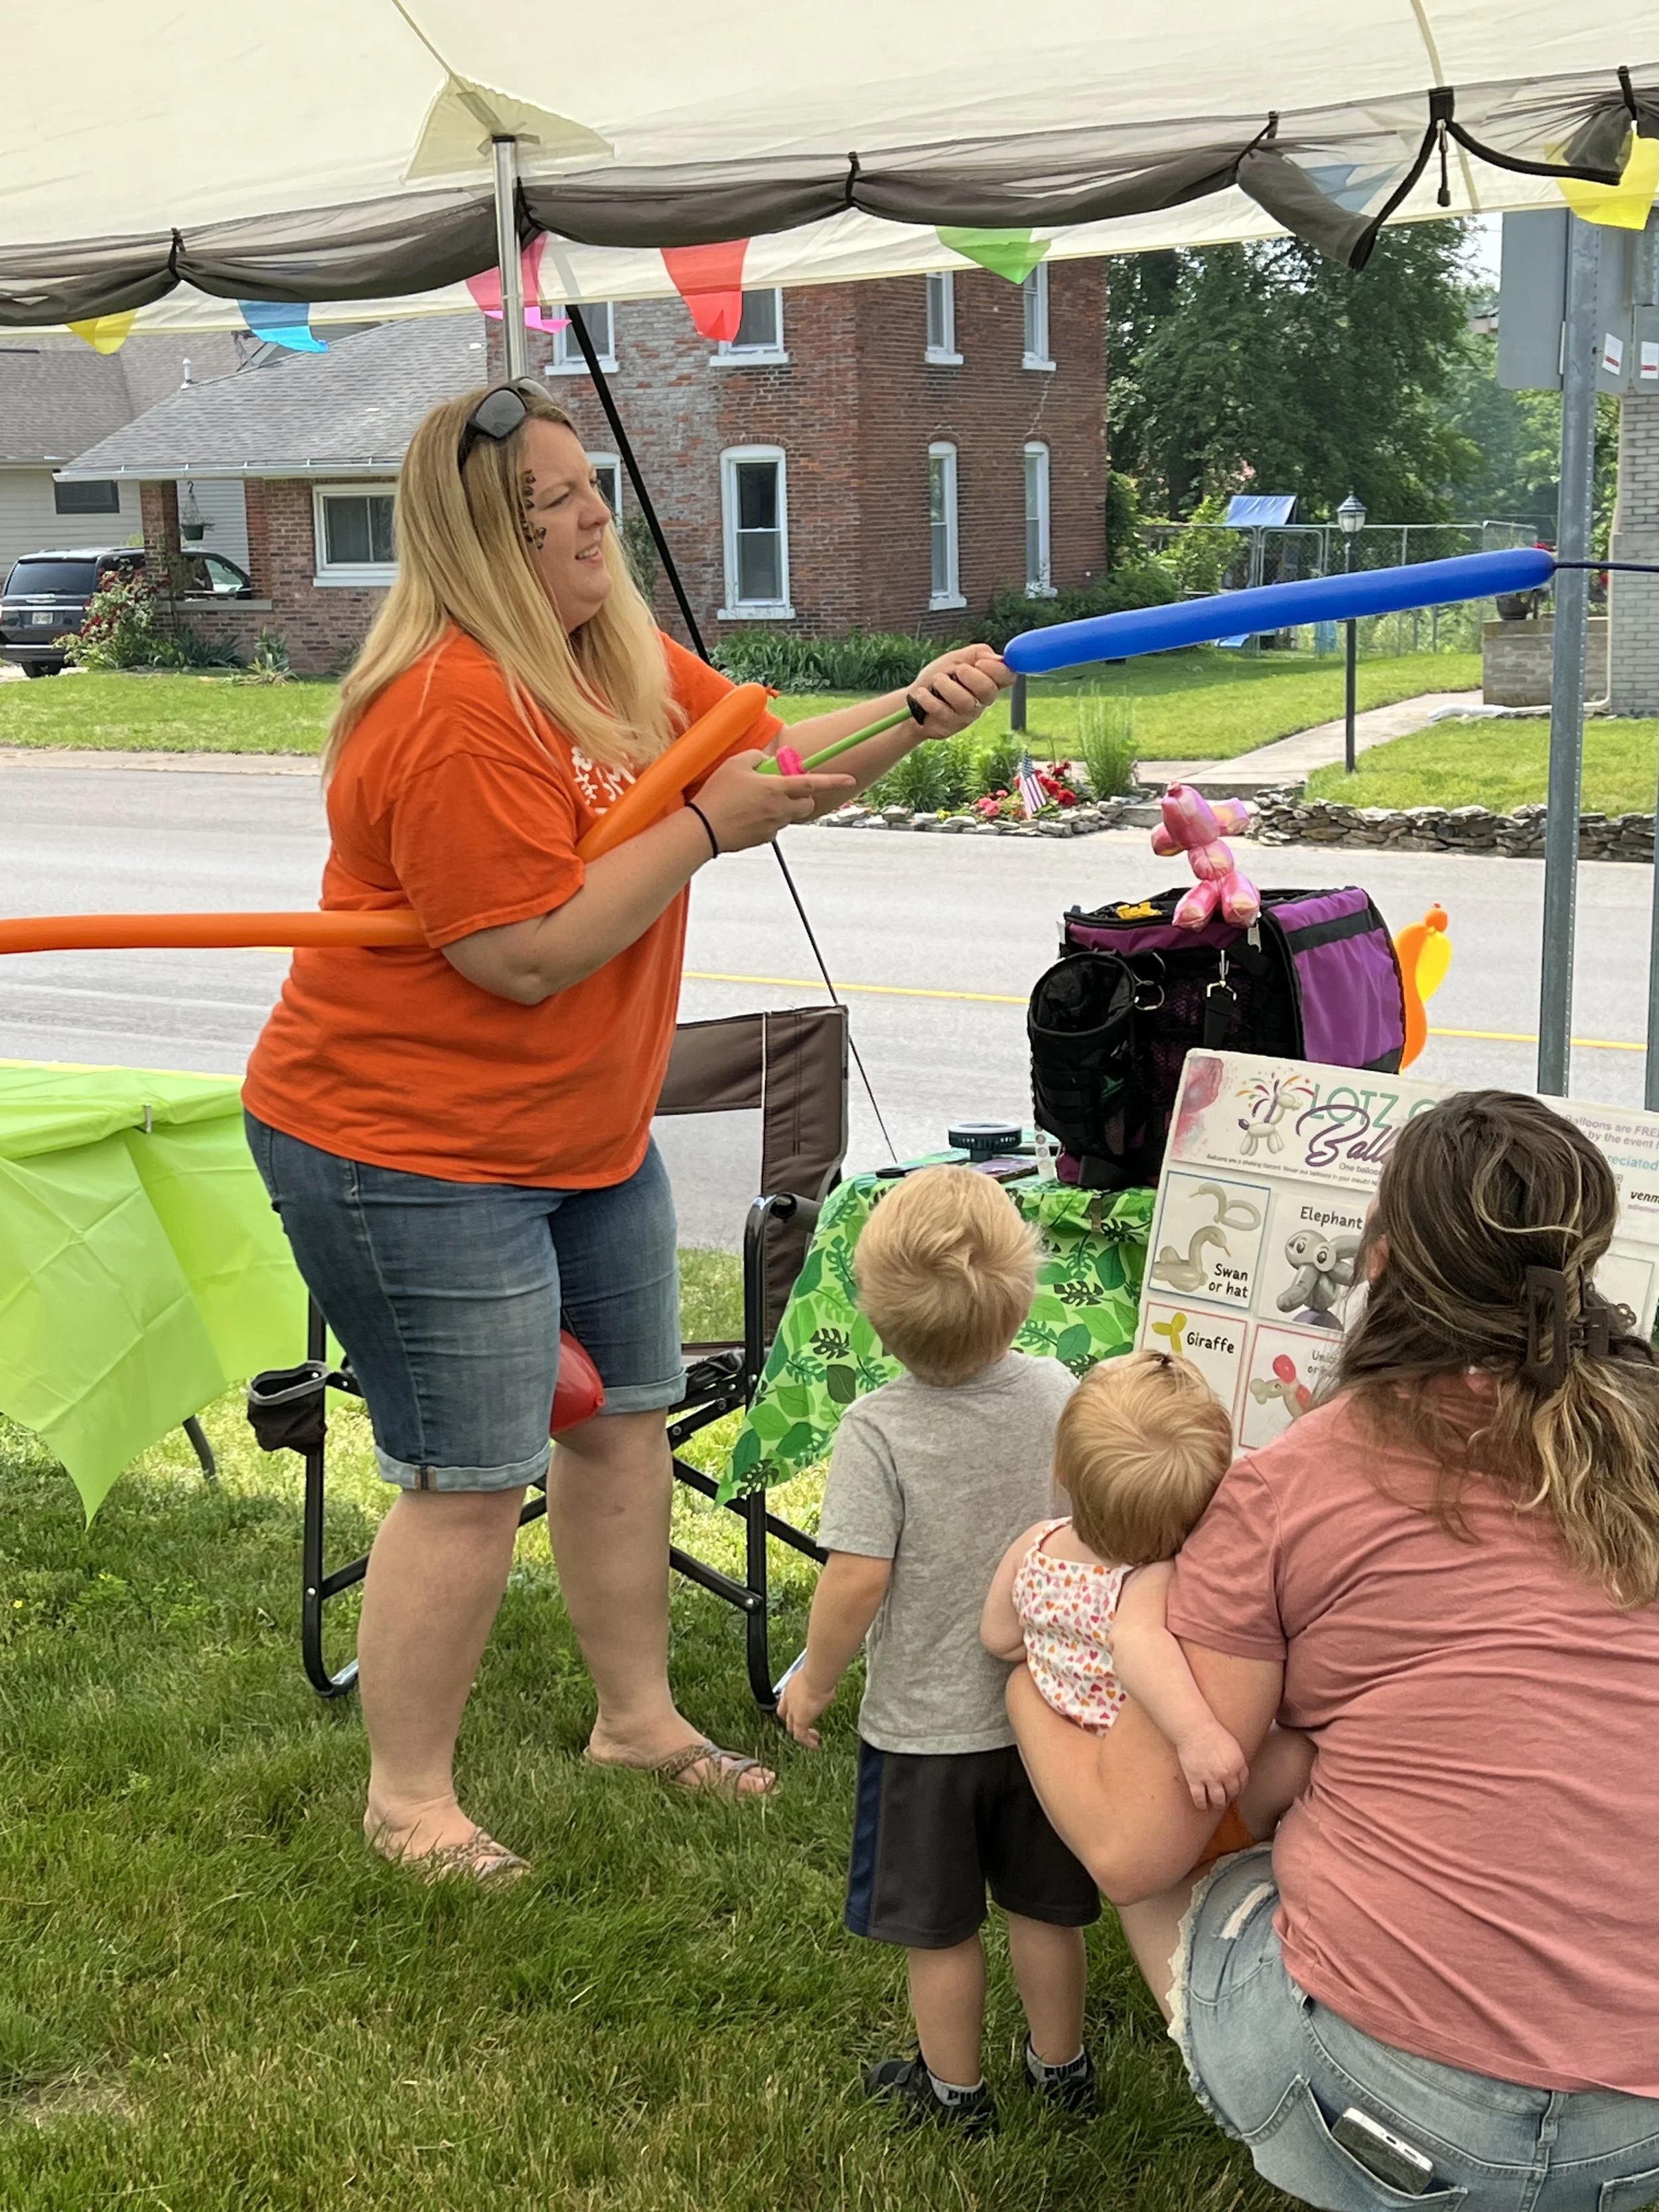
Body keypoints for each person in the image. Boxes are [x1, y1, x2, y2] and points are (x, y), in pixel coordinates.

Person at [241, 380, 1013, 1878]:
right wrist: (705, 827)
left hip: (580, 1127)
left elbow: (771, 769)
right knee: (468, 1469)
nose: (592, 511)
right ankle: (408, 1799)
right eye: (549, 503)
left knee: (623, 1416)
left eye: (585, 483)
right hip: (402, 1140)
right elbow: (523, 951)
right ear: (480, 539)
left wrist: (915, 715)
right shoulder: (448, 710)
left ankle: (637, 1719)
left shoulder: (605, 654)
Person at [1009, 1091, 1659, 2211]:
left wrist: (1025, 1684)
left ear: (1384, 1249)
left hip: (1384, 2104)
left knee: (1211, 1816)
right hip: (1642, 2129)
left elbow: (1128, 1843)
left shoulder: (1284, 1490)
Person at [776, 1167, 1094, 2133]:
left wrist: (814, 1678)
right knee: (1048, 1908)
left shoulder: (876, 1429)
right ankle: (1062, 2067)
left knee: (941, 1929)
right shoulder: (1059, 1392)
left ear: (875, 1317)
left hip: (922, 1735)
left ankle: (956, 2095)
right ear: (1024, 1290)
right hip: (1048, 1717)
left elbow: (856, 1579)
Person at [980, 1350, 1307, 1826]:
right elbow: (1135, 1645)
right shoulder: (1151, 1578)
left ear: (1064, 1473)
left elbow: (998, 1636)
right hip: (1160, 1777)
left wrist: (1056, 1649)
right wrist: (1198, 1736)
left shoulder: (1035, 1545)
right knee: (1301, 1755)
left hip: (1070, 1757)